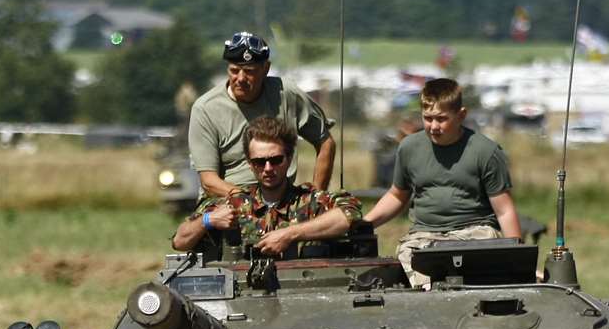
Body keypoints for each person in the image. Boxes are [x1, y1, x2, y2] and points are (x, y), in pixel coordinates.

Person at [361, 78, 522, 289]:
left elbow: (504, 211)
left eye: (441, 119)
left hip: (475, 233)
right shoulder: (409, 148)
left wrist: (520, 263)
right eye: (428, 118)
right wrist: (363, 225)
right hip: (424, 237)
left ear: (461, 115)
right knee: (415, 266)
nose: (434, 126)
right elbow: (397, 195)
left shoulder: (486, 151)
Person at [172, 117, 361, 257]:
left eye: (276, 160)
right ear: (249, 164)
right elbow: (180, 241)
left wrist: (290, 234)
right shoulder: (233, 205)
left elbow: (350, 215)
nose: (268, 169)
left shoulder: (311, 202)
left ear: (289, 159)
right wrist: (208, 220)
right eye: (260, 162)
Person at [187, 31, 335, 201]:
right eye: (234, 70)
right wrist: (252, 203)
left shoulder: (285, 94)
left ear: (266, 69)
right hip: (226, 201)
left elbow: (326, 142)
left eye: (249, 71)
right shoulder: (205, 109)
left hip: (281, 199)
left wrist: (317, 197)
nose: (240, 78)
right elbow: (209, 181)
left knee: (344, 213)